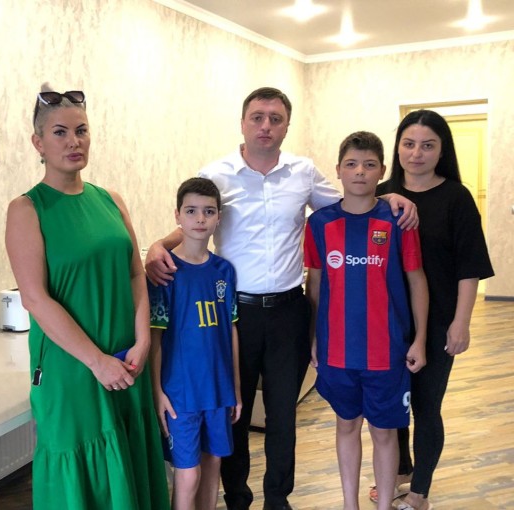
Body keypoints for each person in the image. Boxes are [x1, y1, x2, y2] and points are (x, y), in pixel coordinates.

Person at [145, 86, 418, 510]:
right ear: (243, 123)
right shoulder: (217, 173)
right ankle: (237, 498)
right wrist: (158, 246)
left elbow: (351, 200)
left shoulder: (303, 172)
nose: (266, 126)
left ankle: (278, 499)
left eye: (275, 118)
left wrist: (389, 196)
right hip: (234, 314)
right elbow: (194, 219)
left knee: (283, 416)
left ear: (287, 125)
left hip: (289, 311)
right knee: (234, 412)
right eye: (257, 117)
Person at [5, 86, 170, 509]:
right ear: (38, 143)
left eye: (81, 131)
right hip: (73, 368)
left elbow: (135, 273)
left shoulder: (111, 201)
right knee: (82, 472)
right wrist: (97, 362)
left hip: (126, 361)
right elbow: (35, 300)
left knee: (128, 459)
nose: (73, 141)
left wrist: (143, 340)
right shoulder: (27, 209)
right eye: (59, 132)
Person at [369, 110, 494, 510]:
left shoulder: (457, 198)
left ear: (442, 151)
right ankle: (399, 470)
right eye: (408, 144)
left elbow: (469, 268)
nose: (416, 153)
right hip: (387, 319)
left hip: (438, 320)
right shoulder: (380, 194)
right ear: (397, 148)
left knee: (425, 406)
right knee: (393, 403)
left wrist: (461, 324)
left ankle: (419, 490)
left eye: (427, 145)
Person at [303, 131, 429, 510]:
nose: (360, 171)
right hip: (337, 351)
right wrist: (313, 337)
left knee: (384, 432)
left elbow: (416, 280)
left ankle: (383, 504)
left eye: (369, 164)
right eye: (352, 164)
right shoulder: (320, 223)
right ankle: (350, 504)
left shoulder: (398, 220)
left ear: (382, 171)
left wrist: (420, 339)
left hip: (387, 351)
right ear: (338, 170)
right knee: (346, 425)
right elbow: (315, 284)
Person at [148, 177, 242, 510]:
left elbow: (230, 332)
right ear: (177, 215)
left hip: (218, 391)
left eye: (208, 211)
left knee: (213, 465)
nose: (200, 219)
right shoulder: (164, 273)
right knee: (188, 475)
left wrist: (236, 389)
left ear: (218, 217)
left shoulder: (224, 271)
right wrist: (157, 392)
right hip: (180, 395)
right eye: (191, 211)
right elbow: (155, 338)